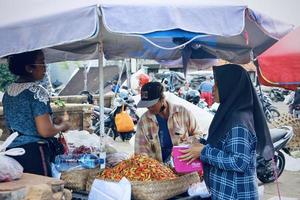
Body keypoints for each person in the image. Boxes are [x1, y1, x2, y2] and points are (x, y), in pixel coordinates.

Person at [180, 64, 274, 200]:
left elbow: (239, 161)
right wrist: (199, 143)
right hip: (225, 192)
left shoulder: (238, 122)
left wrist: (203, 151)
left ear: (231, 87)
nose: (213, 88)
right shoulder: (229, 114)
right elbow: (223, 145)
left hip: (236, 195)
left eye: (217, 84)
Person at [3, 50, 70, 177]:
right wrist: (63, 126)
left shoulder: (8, 92)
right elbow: (45, 131)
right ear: (29, 68)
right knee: (42, 191)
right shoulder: (37, 91)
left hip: (13, 150)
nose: (45, 67)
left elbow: (22, 120)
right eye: (41, 62)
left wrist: (52, 120)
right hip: (34, 152)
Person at [134, 82, 203, 163]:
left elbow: (198, 135)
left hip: (183, 165)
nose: (149, 108)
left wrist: (185, 145)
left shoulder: (183, 113)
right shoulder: (144, 121)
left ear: (162, 99)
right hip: (160, 171)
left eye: (152, 105)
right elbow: (140, 151)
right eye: (147, 105)